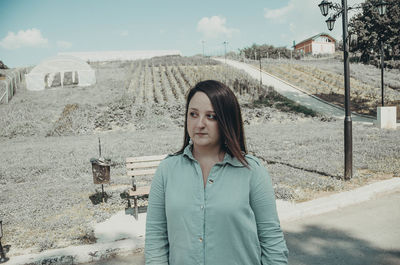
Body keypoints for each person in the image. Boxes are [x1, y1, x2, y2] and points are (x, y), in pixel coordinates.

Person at [145, 80, 288, 265]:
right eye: (193, 114)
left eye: (211, 116)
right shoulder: (166, 171)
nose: (200, 124)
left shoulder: (252, 172)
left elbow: (272, 241)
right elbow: (156, 238)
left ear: (226, 120)